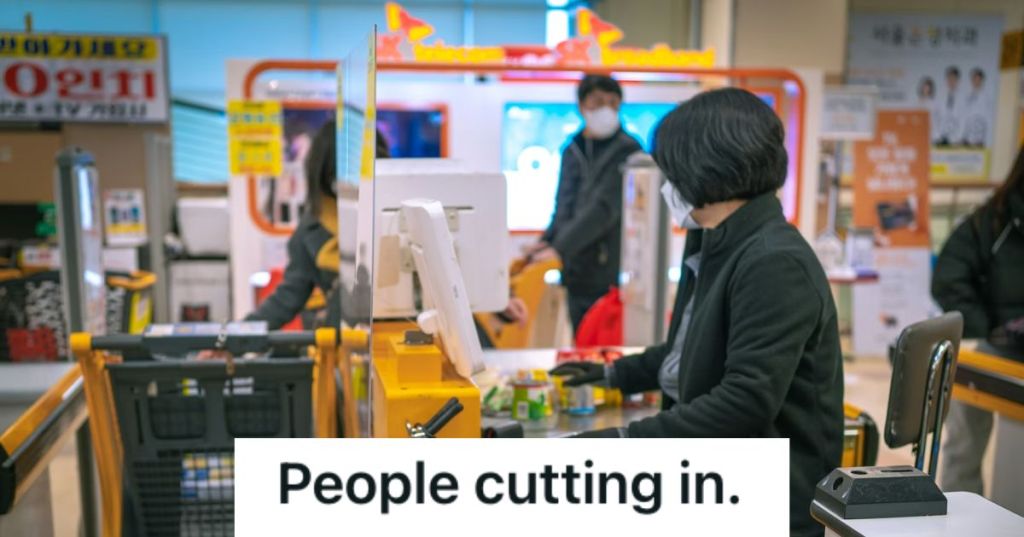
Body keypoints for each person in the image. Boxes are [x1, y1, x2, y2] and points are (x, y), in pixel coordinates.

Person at [552, 88, 845, 537]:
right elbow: (690, 349)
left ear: (705, 168)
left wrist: (625, 442)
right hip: (716, 475)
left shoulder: (772, 261)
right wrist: (615, 374)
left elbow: (745, 402)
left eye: (670, 170)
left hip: (763, 497)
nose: (667, 183)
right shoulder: (716, 240)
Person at [933, 146, 1024, 495]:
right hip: (992, 348)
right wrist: (985, 328)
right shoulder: (994, 219)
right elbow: (948, 278)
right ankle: (958, 521)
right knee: (963, 447)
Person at [526, 74, 642, 333]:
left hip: (607, 269)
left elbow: (603, 210)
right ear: (581, 106)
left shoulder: (628, 151)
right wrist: (546, 242)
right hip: (576, 268)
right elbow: (563, 205)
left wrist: (560, 249)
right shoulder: (573, 149)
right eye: (598, 102)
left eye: (613, 103)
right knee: (580, 336)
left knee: (600, 341)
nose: (606, 110)